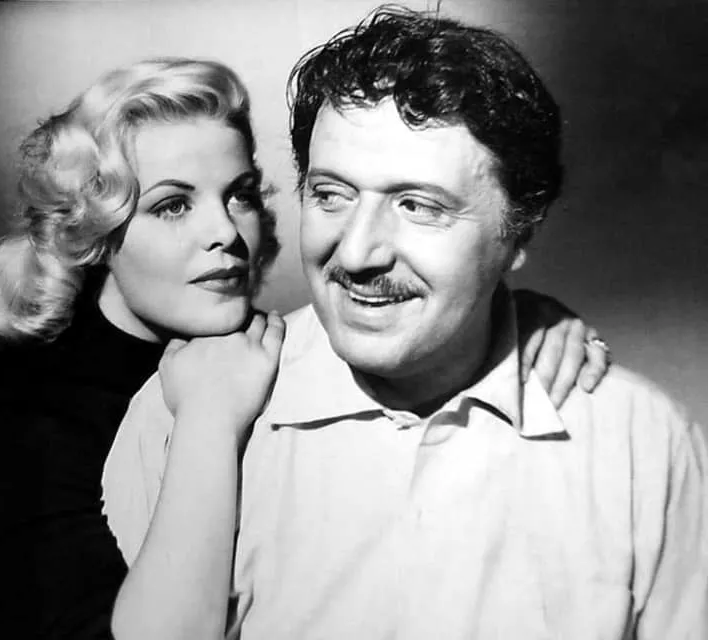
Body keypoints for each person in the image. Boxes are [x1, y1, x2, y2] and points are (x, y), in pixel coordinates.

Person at [0, 56, 606, 639]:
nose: (226, 233)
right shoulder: (14, 413)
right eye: (173, 205)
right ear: (97, 230)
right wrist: (209, 419)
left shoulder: (263, 352)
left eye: (240, 195)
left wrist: (512, 322)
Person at [105, 7, 708, 640]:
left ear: (518, 233)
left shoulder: (640, 444)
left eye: (417, 206)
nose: (357, 253)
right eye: (331, 195)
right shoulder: (180, 422)